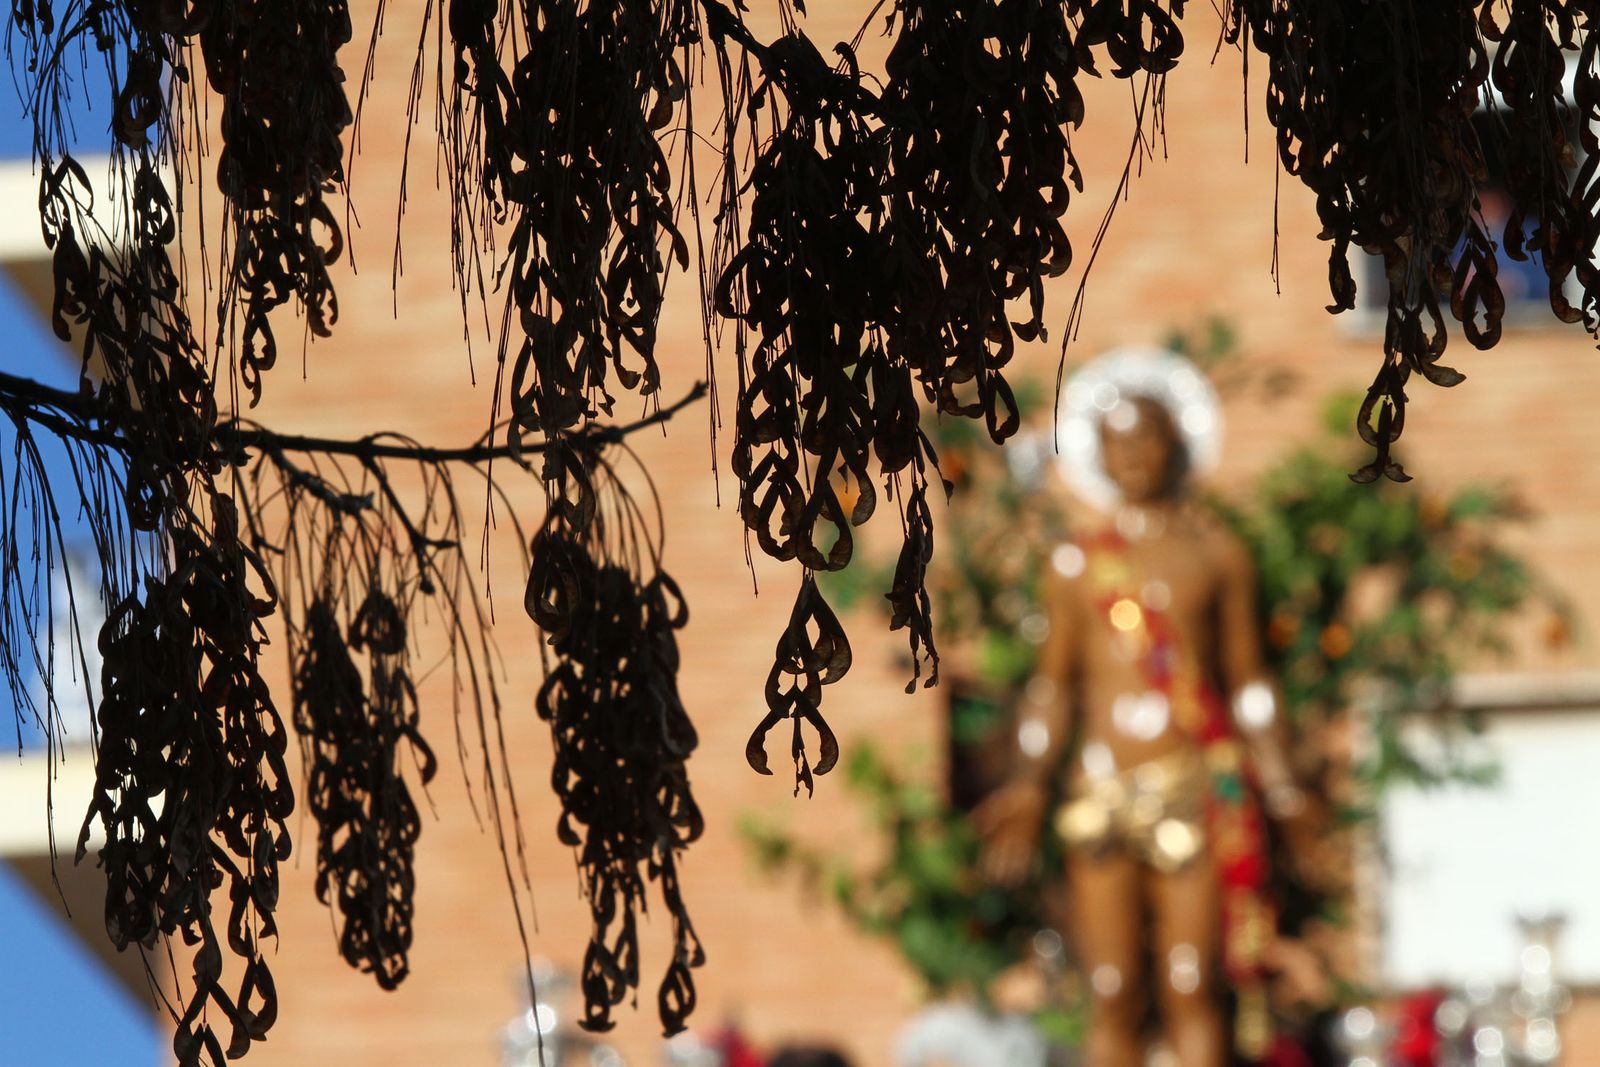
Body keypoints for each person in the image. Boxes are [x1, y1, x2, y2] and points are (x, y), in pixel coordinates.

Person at [977, 348, 1325, 1067]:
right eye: (1118, 439)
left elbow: (1248, 682)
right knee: (1109, 987)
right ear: (1096, 451)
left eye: (1148, 436)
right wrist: (1028, 780)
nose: (1133, 453)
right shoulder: (1075, 563)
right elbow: (1053, 685)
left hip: (1190, 785)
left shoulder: (1216, 552)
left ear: (1178, 444)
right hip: (1099, 789)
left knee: (1192, 982)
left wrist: (1285, 787)